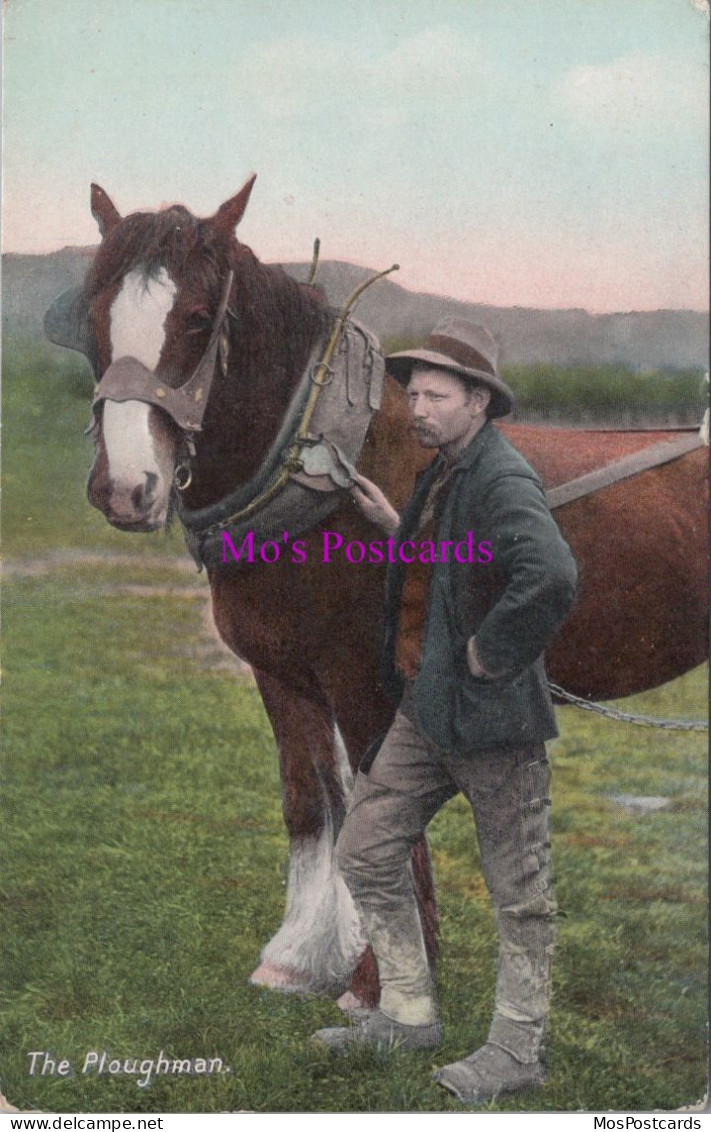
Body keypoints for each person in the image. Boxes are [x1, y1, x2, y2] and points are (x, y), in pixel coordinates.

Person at [312, 318, 578, 1105]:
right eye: (413, 394)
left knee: (518, 892)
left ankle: (516, 1050)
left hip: (493, 724)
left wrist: (486, 655)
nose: (417, 408)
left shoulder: (501, 478)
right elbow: (453, 554)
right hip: (427, 714)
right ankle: (408, 1010)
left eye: (434, 396)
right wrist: (394, 527)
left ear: (478, 403)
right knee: (363, 850)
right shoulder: (444, 472)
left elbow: (550, 576)